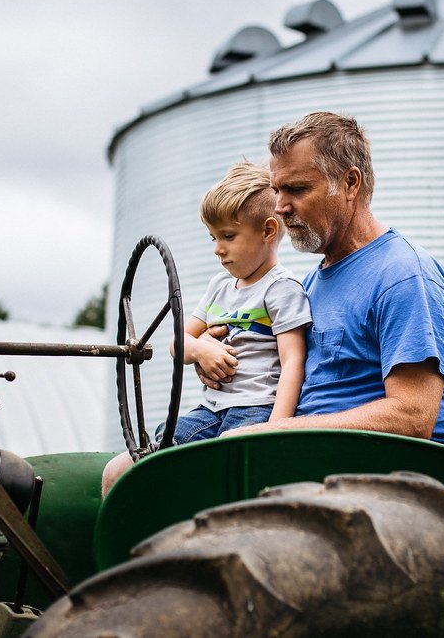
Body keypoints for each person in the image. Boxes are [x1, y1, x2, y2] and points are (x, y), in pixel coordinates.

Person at [208, 111, 444, 445]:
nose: (280, 207)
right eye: (276, 190)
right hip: (308, 458)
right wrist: (222, 359)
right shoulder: (306, 287)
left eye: (296, 189)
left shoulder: (403, 276)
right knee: (130, 468)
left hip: (377, 471)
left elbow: (412, 416)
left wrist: (280, 429)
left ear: (350, 183)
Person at [102, 162, 312, 496]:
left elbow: (293, 362)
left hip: (255, 409)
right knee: (162, 447)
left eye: (229, 236)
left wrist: (276, 429)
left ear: (269, 231)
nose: (218, 248)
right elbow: (178, 341)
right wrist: (202, 349)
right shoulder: (220, 287)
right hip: (211, 410)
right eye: (213, 237)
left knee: (228, 468)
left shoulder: (282, 289)